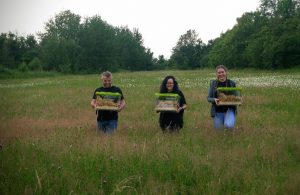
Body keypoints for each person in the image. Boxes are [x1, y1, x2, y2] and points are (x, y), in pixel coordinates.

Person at [207, 65, 237, 130]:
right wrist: (214, 99)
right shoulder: (213, 83)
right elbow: (208, 98)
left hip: (230, 109)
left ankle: (230, 135)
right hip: (217, 111)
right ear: (216, 74)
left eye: (222, 72)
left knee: (228, 126)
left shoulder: (232, 83)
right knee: (219, 130)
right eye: (219, 73)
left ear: (226, 72)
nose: (221, 74)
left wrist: (238, 100)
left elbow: (237, 97)